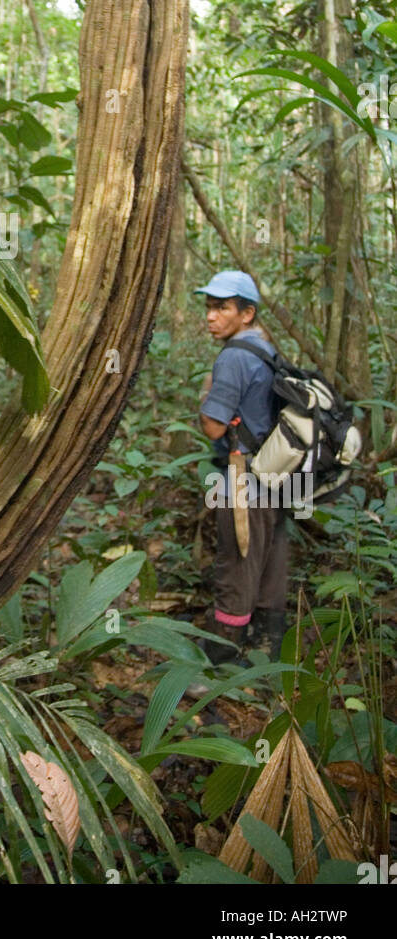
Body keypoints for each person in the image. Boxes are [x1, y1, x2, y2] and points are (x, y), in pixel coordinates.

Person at [195, 270, 286, 663]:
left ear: (247, 313)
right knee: (268, 561)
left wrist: (206, 390)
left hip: (242, 479)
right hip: (276, 473)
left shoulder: (233, 357)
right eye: (209, 307)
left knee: (235, 564)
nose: (211, 317)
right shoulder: (266, 349)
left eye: (222, 308)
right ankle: (265, 651)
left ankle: (220, 657)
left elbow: (214, 425)